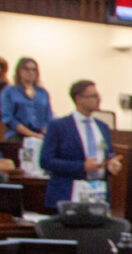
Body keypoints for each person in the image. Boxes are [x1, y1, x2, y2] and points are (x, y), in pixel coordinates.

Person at [41, 79, 123, 209]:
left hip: (97, 195)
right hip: (68, 193)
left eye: (98, 96)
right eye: (93, 96)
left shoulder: (102, 127)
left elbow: (108, 155)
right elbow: (46, 161)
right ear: (79, 99)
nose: (98, 99)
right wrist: (82, 166)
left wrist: (111, 165)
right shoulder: (59, 126)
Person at [1, 56, 51, 139]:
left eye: (33, 70)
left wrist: (43, 133)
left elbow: (49, 117)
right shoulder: (9, 91)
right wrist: (33, 135)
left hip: (41, 135)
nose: (30, 72)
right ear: (19, 71)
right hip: (17, 135)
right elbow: (9, 119)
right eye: (26, 69)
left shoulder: (43, 92)